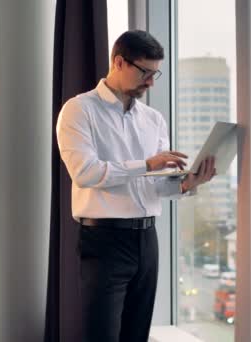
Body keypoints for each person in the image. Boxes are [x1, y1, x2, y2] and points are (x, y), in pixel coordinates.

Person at [56, 30, 216, 342]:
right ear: (118, 62)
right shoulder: (79, 110)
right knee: (100, 335)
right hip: (104, 240)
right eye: (145, 72)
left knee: (136, 335)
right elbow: (85, 173)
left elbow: (153, 188)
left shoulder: (154, 119)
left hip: (147, 240)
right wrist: (146, 165)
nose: (151, 83)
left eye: (155, 74)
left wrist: (187, 184)